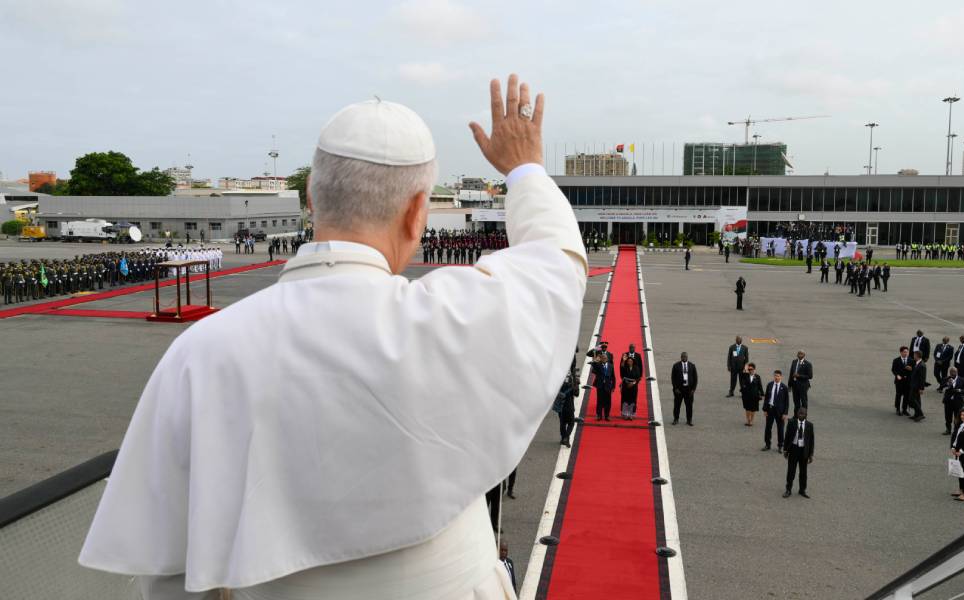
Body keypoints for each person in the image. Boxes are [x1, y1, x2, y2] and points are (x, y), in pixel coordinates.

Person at [80, 75, 586, 598]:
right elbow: (554, 265)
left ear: (309, 199)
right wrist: (524, 169)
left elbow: (168, 571)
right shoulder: (457, 318)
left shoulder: (200, 353)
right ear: (417, 213)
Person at [783, 407, 814, 498]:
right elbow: (787, 436)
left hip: (804, 451)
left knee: (803, 472)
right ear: (796, 414)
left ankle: (802, 490)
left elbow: (811, 441)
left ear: (806, 415)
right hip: (793, 449)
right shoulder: (792, 423)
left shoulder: (809, 425)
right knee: (791, 471)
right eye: (799, 413)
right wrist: (785, 450)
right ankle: (788, 489)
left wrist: (811, 454)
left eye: (803, 414)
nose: (801, 415)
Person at [763, 370, 790, 451]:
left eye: (778, 376)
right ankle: (767, 444)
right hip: (770, 409)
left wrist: (785, 413)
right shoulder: (770, 385)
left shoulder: (784, 387)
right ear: (773, 376)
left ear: (781, 377)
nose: (776, 377)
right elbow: (766, 398)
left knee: (780, 429)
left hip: (780, 412)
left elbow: (787, 402)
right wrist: (765, 409)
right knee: (768, 428)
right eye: (775, 376)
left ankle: (780, 446)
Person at [670, 352, 698, 426]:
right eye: (683, 357)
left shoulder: (692, 366)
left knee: (689, 406)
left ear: (687, 357)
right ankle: (676, 419)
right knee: (677, 405)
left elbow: (695, 378)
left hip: (689, 390)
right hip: (679, 390)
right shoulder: (676, 366)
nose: (684, 358)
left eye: (685, 356)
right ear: (681, 357)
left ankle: (689, 420)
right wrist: (675, 388)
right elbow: (673, 378)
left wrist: (693, 389)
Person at [555, 364, 578, 447]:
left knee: (562, 423)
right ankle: (566, 437)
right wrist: (576, 383)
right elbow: (577, 394)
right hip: (569, 406)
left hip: (560, 406)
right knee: (571, 423)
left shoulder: (558, 383)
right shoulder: (571, 384)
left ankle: (563, 439)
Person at [942, 367, 964, 436]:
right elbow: (942, 386)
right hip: (948, 401)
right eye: (951, 372)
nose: (952, 374)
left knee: (958, 417)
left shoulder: (961, 380)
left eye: (954, 372)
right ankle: (948, 429)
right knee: (948, 416)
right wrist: (947, 384)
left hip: (958, 401)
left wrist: (959, 390)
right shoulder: (946, 379)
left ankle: (957, 430)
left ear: (957, 372)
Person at [591, 352, 615, 421]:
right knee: (599, 401)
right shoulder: (598, 365)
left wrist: (613, 386)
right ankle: (599, 415)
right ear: (601, 359)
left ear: (607, 359)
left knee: (608, 401)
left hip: (608, 386)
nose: (604, 359)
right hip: (600, 386)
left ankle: (607, 416)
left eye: (605, 358)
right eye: (603, 358)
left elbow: (613, 377)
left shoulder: (611, 366)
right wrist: (595, 360)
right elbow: (593, 365)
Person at [619, 354, 642, 420]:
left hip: (634, 386)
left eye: (631, 361)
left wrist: (633, 383)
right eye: (628, 361)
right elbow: (621, 369)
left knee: (632, 400)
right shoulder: (625, 367)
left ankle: (632, 414)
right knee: (625, 400)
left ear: (633, 361)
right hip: (625, 386)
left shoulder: (636, 368)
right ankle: (625, 414)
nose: (629, 362)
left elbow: (638, 378)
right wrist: (623, 361)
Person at [740, 363, 763, 427]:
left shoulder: (757, 377)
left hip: (755, 395)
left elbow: (760, 386)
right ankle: (748, 420)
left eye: (751, 369)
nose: (750, 370)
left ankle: (752, 420)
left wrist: (762, 394)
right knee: (747, 408)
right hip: (746, 395)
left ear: (754, 369)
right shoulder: (745, 375)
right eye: (749, 369)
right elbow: (741, 375)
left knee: (753, 409)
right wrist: (745, 369)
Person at [908, 350, 928, 422]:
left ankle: (921, 414)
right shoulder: (917, 363)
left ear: (917, 356)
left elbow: (922, 378)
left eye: (914, 355)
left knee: (912, 399)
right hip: (914, 384)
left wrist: (921, 388)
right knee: (917, 400)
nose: (913, 356)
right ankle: (916, 414)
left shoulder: (922, 365)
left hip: (916, 386)